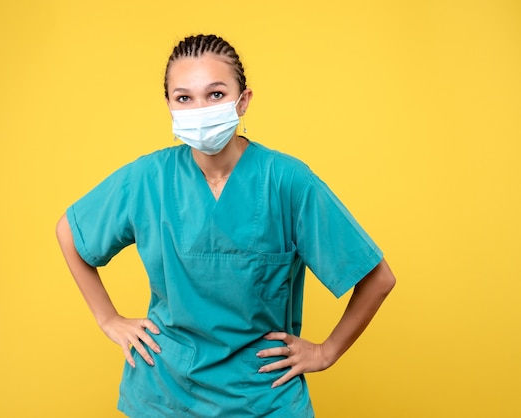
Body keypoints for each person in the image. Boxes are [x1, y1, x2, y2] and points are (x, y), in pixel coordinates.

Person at [56, 34, 396, 417]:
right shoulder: (147, 179)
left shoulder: (286, 181)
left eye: (215, 94)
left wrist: (325, 351)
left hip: (261, 396)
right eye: (184, 98)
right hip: (164, 394)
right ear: (169, 105)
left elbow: (377, 278)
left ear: (243, 100)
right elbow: (71, 231)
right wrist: (109, 319)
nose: (200, 108)